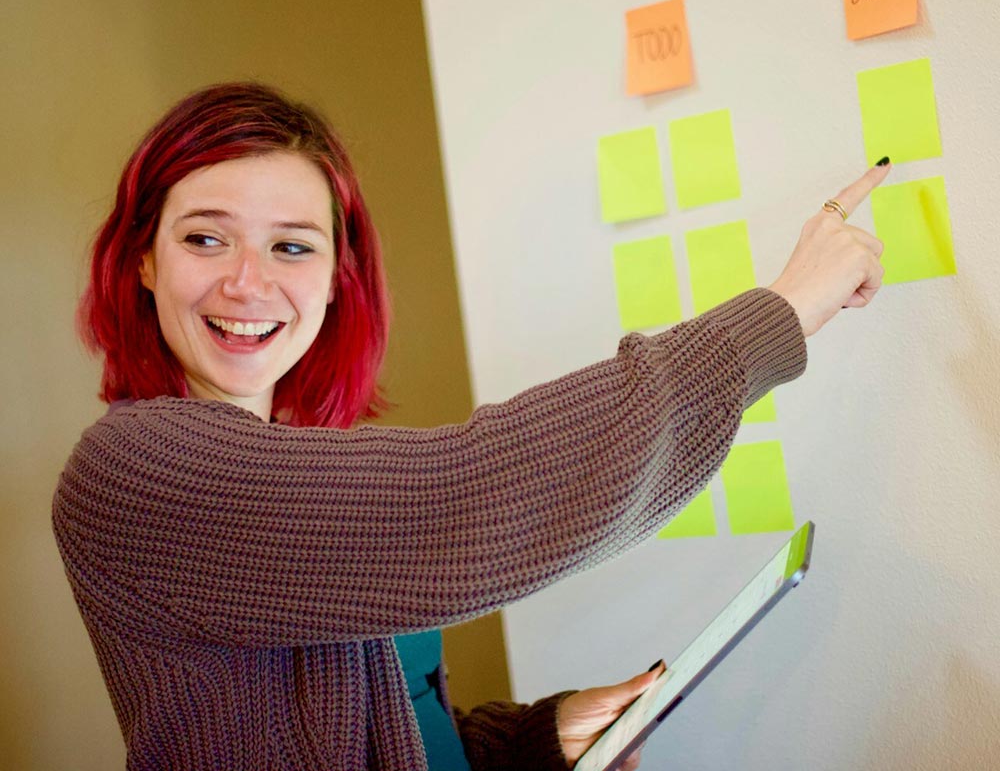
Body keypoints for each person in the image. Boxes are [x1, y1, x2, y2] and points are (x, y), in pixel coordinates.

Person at [53, 82, 889, 771]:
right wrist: (780, 314)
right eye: (207, 238)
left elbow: (388, 725)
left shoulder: (307, 458)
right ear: (144, 260)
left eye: (292, 247)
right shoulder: (135, 469)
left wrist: (530, 741)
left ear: (339, 278)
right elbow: (468, 497)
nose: (247, 282)